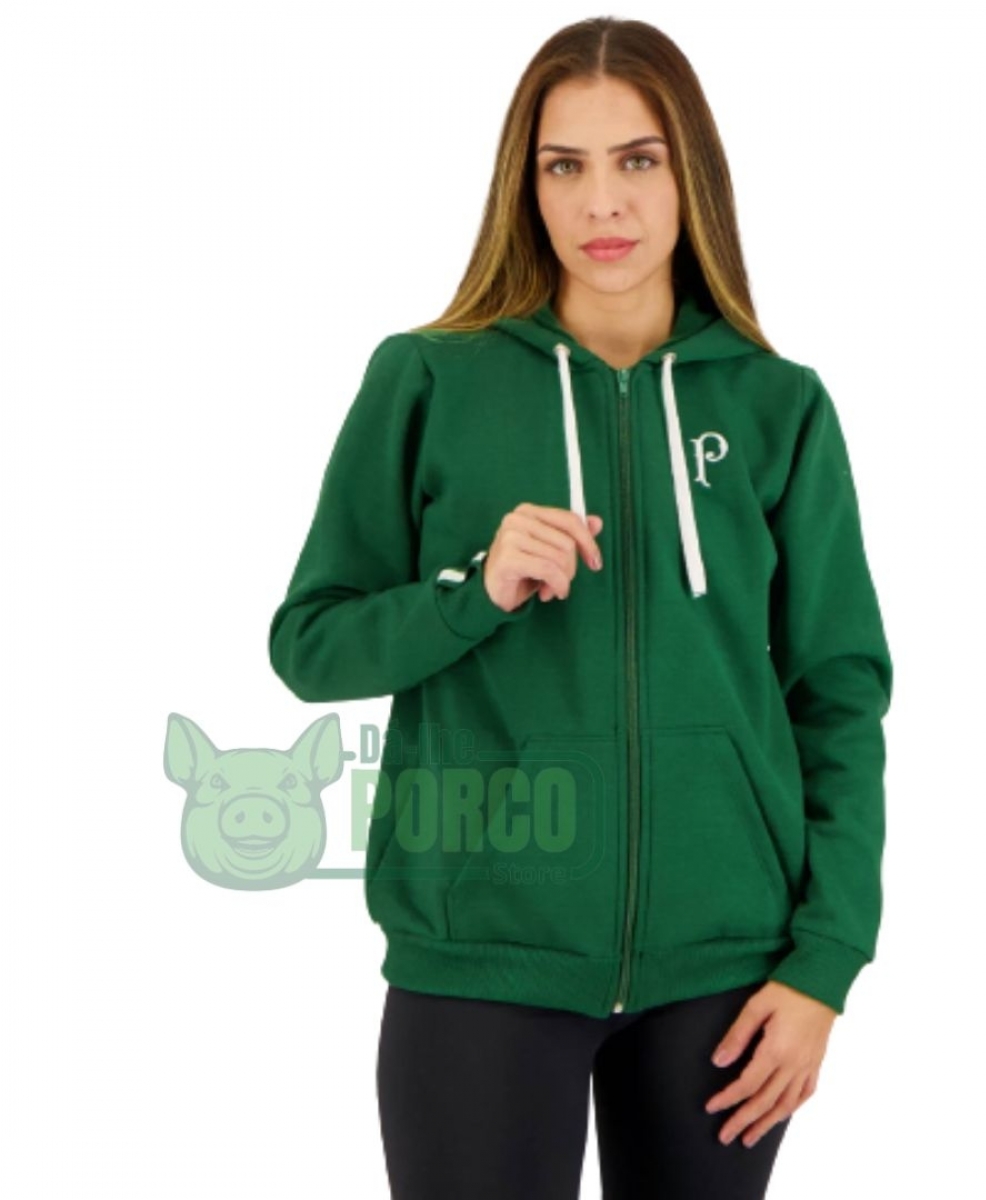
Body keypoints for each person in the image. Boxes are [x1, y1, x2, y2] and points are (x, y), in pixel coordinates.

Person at [268, 15, 892, 1200]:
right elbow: (311, 646)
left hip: (728, 974)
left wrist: (826, 963)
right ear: (528, 184)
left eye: (637, 160)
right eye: (565, 165)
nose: (602, 202)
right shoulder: (429, 377)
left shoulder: (778, 404)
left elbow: (839, 697)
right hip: (481, 960)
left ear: (690, 175)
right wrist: (472, 593)